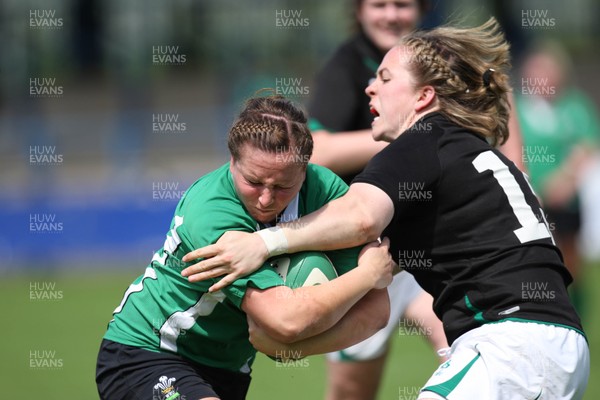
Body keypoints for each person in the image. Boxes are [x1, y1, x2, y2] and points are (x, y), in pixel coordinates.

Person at [182, 19, 590, 399]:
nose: (370, 89)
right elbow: (372, 283)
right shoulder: (466, 153)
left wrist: (265, 243)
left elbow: (359, 218)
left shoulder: (425, 139)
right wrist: (291, 339)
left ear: (424, 96)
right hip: (546, 343)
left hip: (510, 347)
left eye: (385, 78)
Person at [96, 95, 394, 400]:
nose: (266, 199)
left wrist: (291, 349)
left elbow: (375, 312)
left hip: (229, 371)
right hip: (148, 353)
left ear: (305, 171)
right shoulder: (210, 212)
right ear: (232, 161)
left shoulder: (323, 190)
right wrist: (368, 274)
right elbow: (287, 320)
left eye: (282, 187)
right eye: (253, 181)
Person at [307, 1, 519, 398]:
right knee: (351, 392)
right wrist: (410, 141)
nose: (391, 15)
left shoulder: (440, 62)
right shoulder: (347, 64)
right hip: (369, 253)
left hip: (433, 247)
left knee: (472, 355)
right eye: (379, 5)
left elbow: (498, 92)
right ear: (358, 11)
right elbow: (318, 151)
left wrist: (516, 174)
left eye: (402, 4)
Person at [515, 42, 600, 315]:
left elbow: (587, 145)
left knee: (572, 261)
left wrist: (566, 179)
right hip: (531, 198)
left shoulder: (574, 106)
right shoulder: (516, 109)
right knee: (544, 258)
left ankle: (578, 312)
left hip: (567, 201)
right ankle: (545, 311)